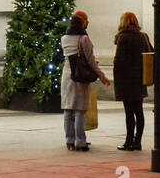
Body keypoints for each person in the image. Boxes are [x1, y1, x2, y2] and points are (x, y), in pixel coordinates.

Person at [60, 10, 110, 152]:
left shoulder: (64, 38)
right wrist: (102, 77)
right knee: (80, 109)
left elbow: (72, 57)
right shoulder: (84, 39)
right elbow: (90, 61)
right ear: (81, 22)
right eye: (86, 19)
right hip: (80, 76)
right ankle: (80, 141)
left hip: (67, 75)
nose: (88, 22)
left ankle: (69, 140)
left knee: (68, 109)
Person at [112, 12, 152, 149]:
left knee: (129, 112)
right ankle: (138, 141)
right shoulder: (143, 36)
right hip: (140, 78)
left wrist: (117, 80)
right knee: (139, 111)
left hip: (127, 80)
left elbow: (119, 61)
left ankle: (128, 141)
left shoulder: (123, 37)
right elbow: (151, 53)